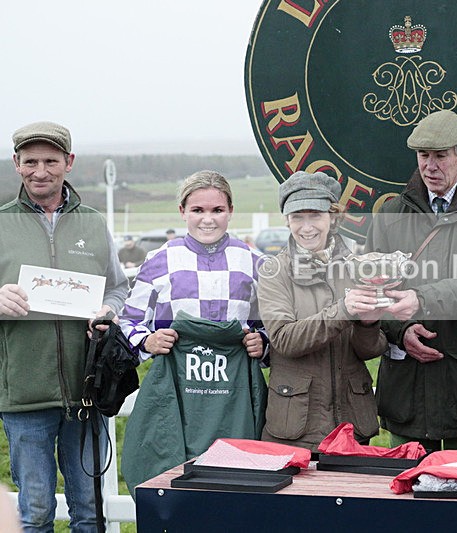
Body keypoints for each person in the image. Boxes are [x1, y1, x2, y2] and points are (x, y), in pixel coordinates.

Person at [0, 121, 129, 531]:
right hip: (24, 394)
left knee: (89, 512)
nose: (41, 170)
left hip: (85, 390)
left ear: (68, 163)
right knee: (35, 512)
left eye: (51, 160)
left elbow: (117, 288)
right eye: (31, 161)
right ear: (17, 164)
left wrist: (106, 312)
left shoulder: (92, 223)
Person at [364, 110, 457, 451]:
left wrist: (421, 298)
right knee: (407, 492)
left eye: (440, 156)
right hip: (406, 389)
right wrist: (401, 331)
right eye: (423, 156)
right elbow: (373, 290)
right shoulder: (390, 214)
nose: (430, 166)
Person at [119, 170, 268, 493]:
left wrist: (263, 343)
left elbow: (270, 325)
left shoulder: (254, 261)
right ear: (182, 212)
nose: (208, 220)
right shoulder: (160, 259)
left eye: (217, 210)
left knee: (237, 484)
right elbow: (128, 320)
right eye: (198, 210)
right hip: (178, 393)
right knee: (179, 481)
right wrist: (148, 340)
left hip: (234, 395)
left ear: (230, 211)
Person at [258, 171, 387, 450]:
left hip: (353, 426)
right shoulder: (273, 272)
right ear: (287, 221)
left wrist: (368, 325)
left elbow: (367, 352)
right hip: (297, 429)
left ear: (334, 216)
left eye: (315, 215)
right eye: (297, 217)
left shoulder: (357, 267)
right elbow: (284, 340)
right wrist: (343, 310)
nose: (306, 227)